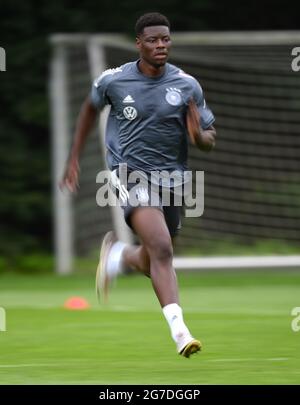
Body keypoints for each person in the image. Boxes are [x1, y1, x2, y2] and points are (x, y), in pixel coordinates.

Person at [61, 12, 216, 358]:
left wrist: (199, 137)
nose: (161, 45)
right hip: (129, 173)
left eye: (165, 39)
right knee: (162, 248)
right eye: (153, 40)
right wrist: (73, 157)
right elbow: (89, 109)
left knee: (153, 257)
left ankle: (120, 257)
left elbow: (208, 137)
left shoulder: (187, 85)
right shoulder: (113, 81)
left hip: (173, 177)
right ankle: (180, 333)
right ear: (139, 44)